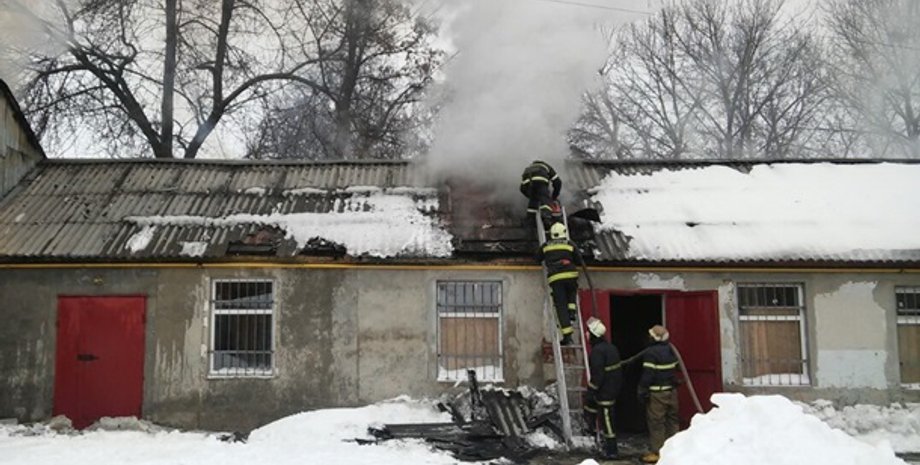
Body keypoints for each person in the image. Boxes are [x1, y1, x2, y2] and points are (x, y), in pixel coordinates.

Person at [637, 325, 680, 464]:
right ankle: (676, 450)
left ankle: (658, 452)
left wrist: (642, 390)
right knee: (672, 421)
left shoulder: (651, 353)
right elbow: (676, 368)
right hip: (671, 392)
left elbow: (648, 374)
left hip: (658, 394)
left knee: (656, 423)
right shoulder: (671, 350)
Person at [535, 222, 582, 345]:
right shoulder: (570, 244)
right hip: (571, 275)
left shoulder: (546, 245)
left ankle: (567, 337)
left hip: (556, 279)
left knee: (561, 307)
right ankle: (572, 311)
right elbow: (578, 259)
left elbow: (537, 259)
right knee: (572, 290)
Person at [583, 317, 622, 460]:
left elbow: (598, 375)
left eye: (588, 332)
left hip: (606, 391)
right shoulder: (610, 347)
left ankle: (612, 450)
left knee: (607, 420)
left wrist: (591, 390)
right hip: (612, 388)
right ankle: (602, 442)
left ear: (593, 334)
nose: (586, 334)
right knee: (599, 414)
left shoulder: (598, 352)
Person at [520, 160, 561, 227]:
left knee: (533, 201)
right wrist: (553, 197)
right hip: (540, 182)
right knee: (545, 200)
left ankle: (530, 220)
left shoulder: (528, 168)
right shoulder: (546, 166)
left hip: (527, 184)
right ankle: (546, 218)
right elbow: (558, 182)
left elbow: (522, 189)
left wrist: (530, 196)